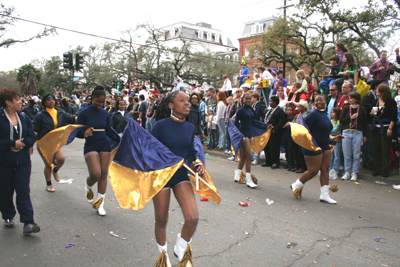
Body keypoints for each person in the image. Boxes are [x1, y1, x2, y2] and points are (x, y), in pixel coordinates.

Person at [150, 91, 204, 267]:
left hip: (181, 176)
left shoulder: (189, 128)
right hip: (161, 176)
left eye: (188, 100)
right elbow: (150, 153)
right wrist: (170, 162)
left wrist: (197, 164)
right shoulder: (159, 126)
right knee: (162, 219)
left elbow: (190, 153)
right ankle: (163, 255)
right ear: (171, 105)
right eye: (182, 100)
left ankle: (180, 247)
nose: (187, 103)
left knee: (193, 217)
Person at [0, 88, 40, 234]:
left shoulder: (24, 118)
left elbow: (32, 136)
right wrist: (12, 143)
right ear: (8, 102)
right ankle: (8, 215)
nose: (20, 102)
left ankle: (28, 222)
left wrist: (25, 143)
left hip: (23, 161)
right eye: (17, 99)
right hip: (4, 162)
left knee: (23, 191)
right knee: (5, 191)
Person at [77, 85, 120, 216]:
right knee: (95, 173)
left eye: (103, 102)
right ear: (92, 98)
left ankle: (100, 203)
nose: (101, 104)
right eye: (98, 101)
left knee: (103, 173)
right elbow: (76, 131)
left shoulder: (105, 113)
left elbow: (108, 130)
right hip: (91, 145)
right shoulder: (84, 113)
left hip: (104, 145)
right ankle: (88, 186)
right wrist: (84, 133)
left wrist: (120, 140)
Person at [290, 95, 342, 204]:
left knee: (325, 169)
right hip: (313, 147)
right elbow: (303, 129)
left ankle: (325, 195)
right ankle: (297, 184)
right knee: (313, 171)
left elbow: (323, 132)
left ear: (325, 102)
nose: (319, 102)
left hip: (325, 145)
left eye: (321, 100)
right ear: (314, 104)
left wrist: (333, 137)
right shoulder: (313, 115)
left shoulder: (325, 115)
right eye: (317, 100)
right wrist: (311, 144)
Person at [33, 93, 76, 192]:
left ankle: (55, 171)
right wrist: (31, 144)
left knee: (61, 159)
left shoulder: (60, 112)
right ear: (44, 102)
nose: (51, 101)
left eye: (53, 99)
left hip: (56, 142)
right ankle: (49, 184)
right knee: (48, 164)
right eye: (49, 100)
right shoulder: (40, 115)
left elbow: (72, 119)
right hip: (43, 143)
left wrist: (84, 117)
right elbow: (35, 130)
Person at [233, 93, 271, 188]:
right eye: (246, 99)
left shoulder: (250, 109)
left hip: (249, 135)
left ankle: (237, 174)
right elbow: (236, 124)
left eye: (250, 99)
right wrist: (238, 135)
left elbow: (254, 122)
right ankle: (248, 179)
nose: (248, 100)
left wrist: (265, 126)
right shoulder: (240, 110)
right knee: (249, 156)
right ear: (243, 99)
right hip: (243, 135)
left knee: (244, 156)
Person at [370, 84, 397, 177]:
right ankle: (376, 169)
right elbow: (374, 114)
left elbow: (394, 117)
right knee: (376, 148)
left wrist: (390, 128)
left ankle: (384, 169)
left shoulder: (391, 102)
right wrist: (372, 112)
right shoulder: (375, 101)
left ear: (383, 92)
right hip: (376, 127)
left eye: (378, 90)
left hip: (386, 127)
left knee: (385, 149)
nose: (376, 91)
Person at [339, 92, 367, 181]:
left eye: (351, 98)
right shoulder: (346, 108)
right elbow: (341, 120)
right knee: (346, 153)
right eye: (349, 98)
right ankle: (347, 172)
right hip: (347, 132)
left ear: (356, 99)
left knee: (356, 154)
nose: (349, 99)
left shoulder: (362, 109)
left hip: (357, 132)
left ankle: (354, 172)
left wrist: (365, 135)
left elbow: (364, 123)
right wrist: (351, 118)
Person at [262, 96, 287, 169]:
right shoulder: (269, 110)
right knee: (267, 147)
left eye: (271, 101)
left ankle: (275, 162)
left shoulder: (279, 111)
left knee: (274, 148)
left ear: (275, 102)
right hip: (267, 132)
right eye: (269, 101)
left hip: (275, 133)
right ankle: (268, 161)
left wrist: (275, 129)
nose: (270, 103)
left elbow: (281, 122)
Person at [290, 101, 308, 173]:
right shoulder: (298, 115)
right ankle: (297, 165)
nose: (298, 108)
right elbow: (294, 122)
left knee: (301, 152)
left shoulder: (306, 115)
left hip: (303, 135)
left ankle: (303, 166)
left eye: (300, 107)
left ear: (304, 107)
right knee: (296, 150)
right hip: (296, 134)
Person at [329, 108, 342, 179]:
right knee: (331, 156)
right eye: (331, 112)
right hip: (331, 139)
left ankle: (335, 169)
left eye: (333, 112)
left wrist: (331, 131)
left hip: (337, 139)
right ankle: (329, 169)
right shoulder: (330, 121)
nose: (332, 114)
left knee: (336, 155)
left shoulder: (339, 122)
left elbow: (335, 129)